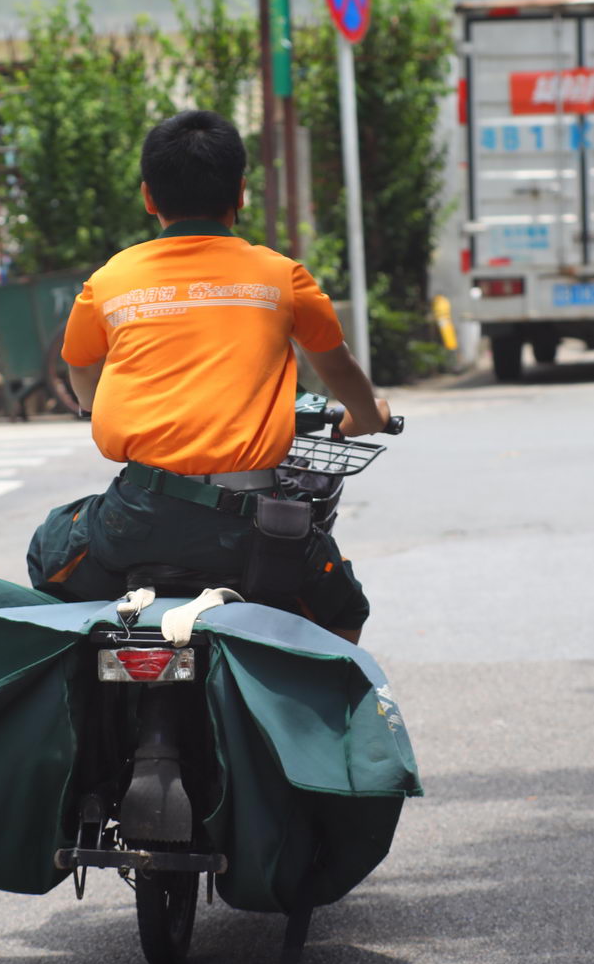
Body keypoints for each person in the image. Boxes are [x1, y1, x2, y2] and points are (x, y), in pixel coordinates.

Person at [26, 109, 389, 643]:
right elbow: (337, 366)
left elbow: (83, 379)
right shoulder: (280, 276)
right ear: (241, 192)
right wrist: (366, 415)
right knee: (341, 608)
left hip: (135, 517)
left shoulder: (109, 281)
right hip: (255, 529)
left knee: (48, 550)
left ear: (149, 197)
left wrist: (97, 402)